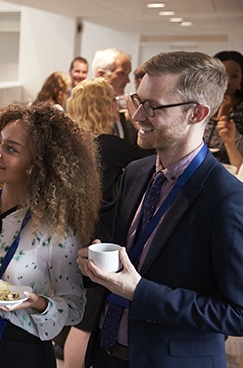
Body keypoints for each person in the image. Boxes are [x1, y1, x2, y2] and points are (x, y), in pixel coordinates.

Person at [77, 51, 243, 368]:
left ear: (197, 114)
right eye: (137, 101)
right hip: (104, 354)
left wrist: (140, 292)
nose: (136, 116)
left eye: (152, 106)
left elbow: (237, 314)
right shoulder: (137, 172)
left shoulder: (227, 199)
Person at [0, 104, 101, 368]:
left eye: (11, 149)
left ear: (38, 165)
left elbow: (73, 307)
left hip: (25, 352)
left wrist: (37, 303)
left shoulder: (55, 229)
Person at [63, 78, 153, 368]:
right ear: (103, 106)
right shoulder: (109, 144)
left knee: (83, 314)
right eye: (114, 101)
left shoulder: (75, 144)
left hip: (75, 231)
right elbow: (154, 157)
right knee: (87, 321)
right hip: (97, 236)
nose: (121, 107)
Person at [203, 50, 243, 166]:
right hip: (202, 169)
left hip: (233, 171)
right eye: (223, 75)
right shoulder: (202, 104)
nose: (228, 81)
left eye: (235, 76)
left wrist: (224, 115)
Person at [92, 48, 134, 142]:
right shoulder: (87, 109)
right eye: (122, 73)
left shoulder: (118, 107)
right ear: (101, 75)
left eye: (128, 74)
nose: (128, 80)